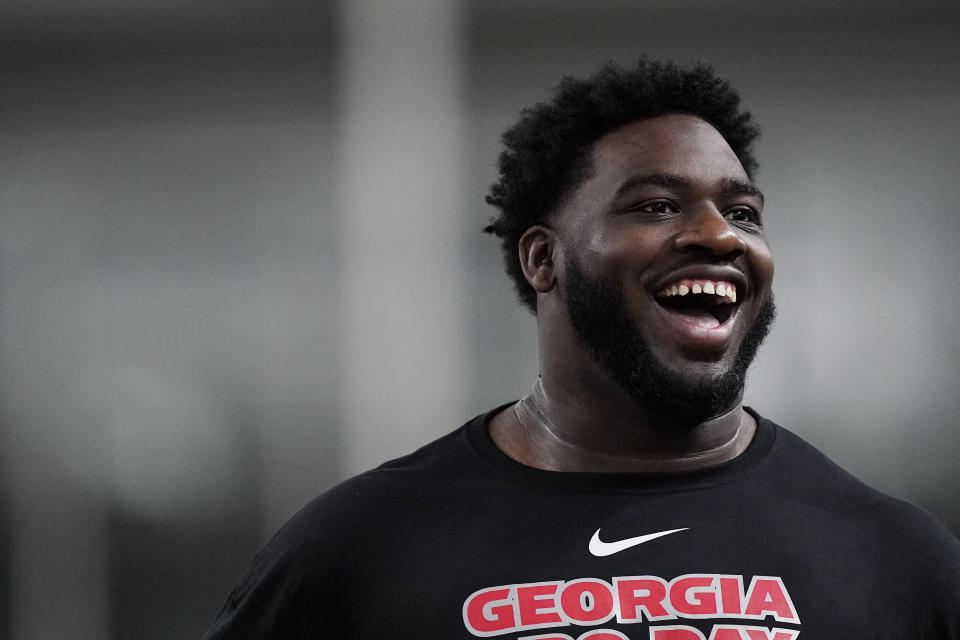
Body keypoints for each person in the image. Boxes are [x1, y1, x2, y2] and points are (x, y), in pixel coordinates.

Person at [202, 58, 960, 639]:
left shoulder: (896, 561)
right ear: (544, 260)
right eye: (657, 206)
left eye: (743, 212)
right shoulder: (358, 552)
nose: (719, 236)